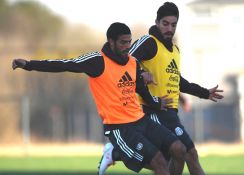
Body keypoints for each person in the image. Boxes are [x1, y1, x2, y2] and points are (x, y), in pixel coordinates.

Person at [12, 22, 188, 175]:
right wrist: (29, 65)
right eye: (122, 43)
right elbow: (65, 64)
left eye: (129, 42)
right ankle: (115, 151)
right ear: (111, 42)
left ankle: (114, 153)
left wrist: (156, 102)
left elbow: (141, 89)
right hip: (120, 128)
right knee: (160, 163)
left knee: (179, 150)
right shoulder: (97, 61)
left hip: (141, 120)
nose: (127, 47)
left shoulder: (132, 62)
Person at [99, 3, 224, 175]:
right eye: (165, 23)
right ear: (157, 22)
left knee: (175, 156)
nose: (169, 28)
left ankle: (114, 153)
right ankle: (115, 152)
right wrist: (141, 73)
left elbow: (177, 81)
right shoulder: (149, 42)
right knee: (188, 153)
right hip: (152, 110)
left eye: (174, 25)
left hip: (170, 112)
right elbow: (125, 61)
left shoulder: (175, 51)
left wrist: (203, 92)